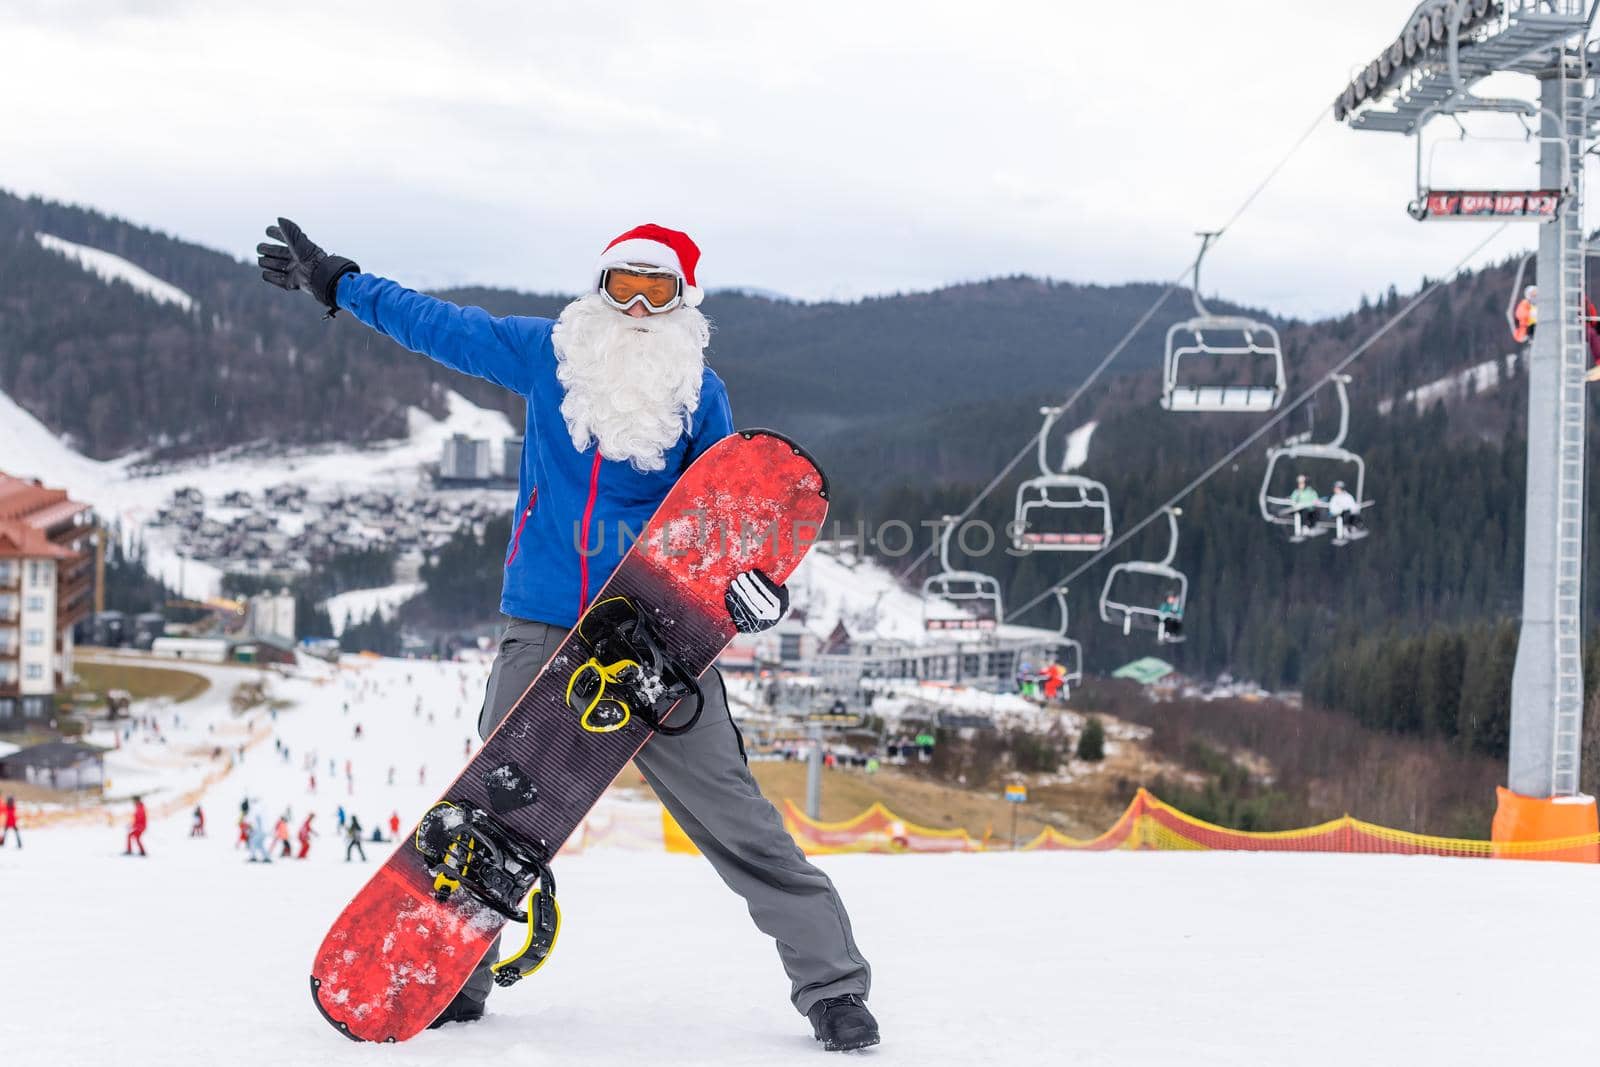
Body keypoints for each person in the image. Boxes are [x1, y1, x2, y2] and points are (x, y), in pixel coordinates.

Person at [257, 219, 877, 1051]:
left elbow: (732, 519)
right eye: (623, 283)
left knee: (739, 820)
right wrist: (338, 283)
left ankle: (833, 987)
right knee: (491, 811)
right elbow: (436, 324)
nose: (636, 306)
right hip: (544, 621)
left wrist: (753, 592)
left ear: (683, 301)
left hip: (655, 639)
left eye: (656, 290)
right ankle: (456, 974)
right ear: (599, 285)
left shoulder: (701, 393)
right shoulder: (546, 354)